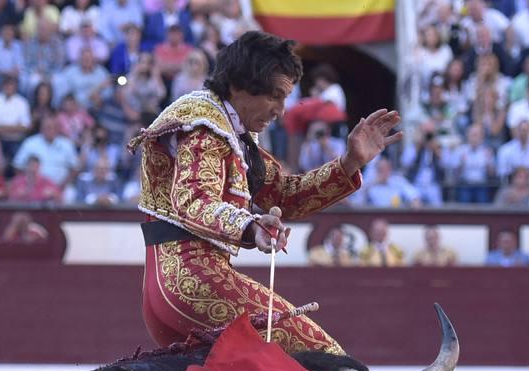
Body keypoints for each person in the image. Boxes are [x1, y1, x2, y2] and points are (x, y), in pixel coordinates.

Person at [129, 31, 399, 353]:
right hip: (194, 281)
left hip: (177, 286)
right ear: (240, 87)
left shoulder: (233, 133)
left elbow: (285, 195)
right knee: (324, 358)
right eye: (275, 96)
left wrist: (350, 162)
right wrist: (248, 225)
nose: (282, 110)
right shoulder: (206, 126)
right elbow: (193, 199)